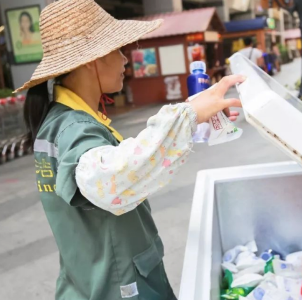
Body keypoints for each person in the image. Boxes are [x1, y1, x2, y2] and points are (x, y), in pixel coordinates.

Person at [18, 1, 245, 300]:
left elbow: (119, 158)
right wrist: (186, 116)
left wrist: (192, 124)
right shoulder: (73, 127)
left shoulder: (64, 120)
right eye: (117, 49)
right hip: (120, 287)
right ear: (91, 59)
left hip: (88, 281)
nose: (126, 58)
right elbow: (111, 178)